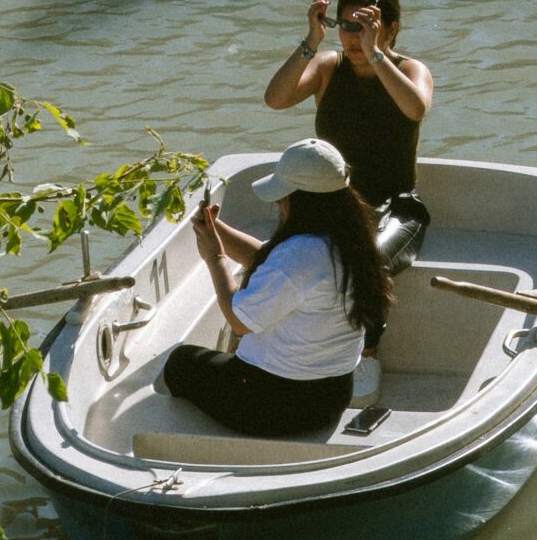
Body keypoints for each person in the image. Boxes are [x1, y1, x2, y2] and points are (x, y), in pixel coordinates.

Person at [261, 0, 433, 402]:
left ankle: (367, 352)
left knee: (367, 261)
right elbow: (275, 100)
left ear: (390, 28)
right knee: (278, 258)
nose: (352, 37)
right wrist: (310, 40)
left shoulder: (411, 70)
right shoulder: (327, 66)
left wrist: (376, 55)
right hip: (330, 202)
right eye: (346, 26)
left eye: (365, 26)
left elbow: (414, 108)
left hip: (397, 206)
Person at [162, 138, 393, 439]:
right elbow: (266, 259)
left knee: (180, 364)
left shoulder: (299, 254)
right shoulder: (350, 238)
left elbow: (239, 321)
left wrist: (215, 258)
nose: (277, 203)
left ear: (298, 199)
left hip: (274, 405)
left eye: (282, 195)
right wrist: (215, 229)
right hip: (332, 396)